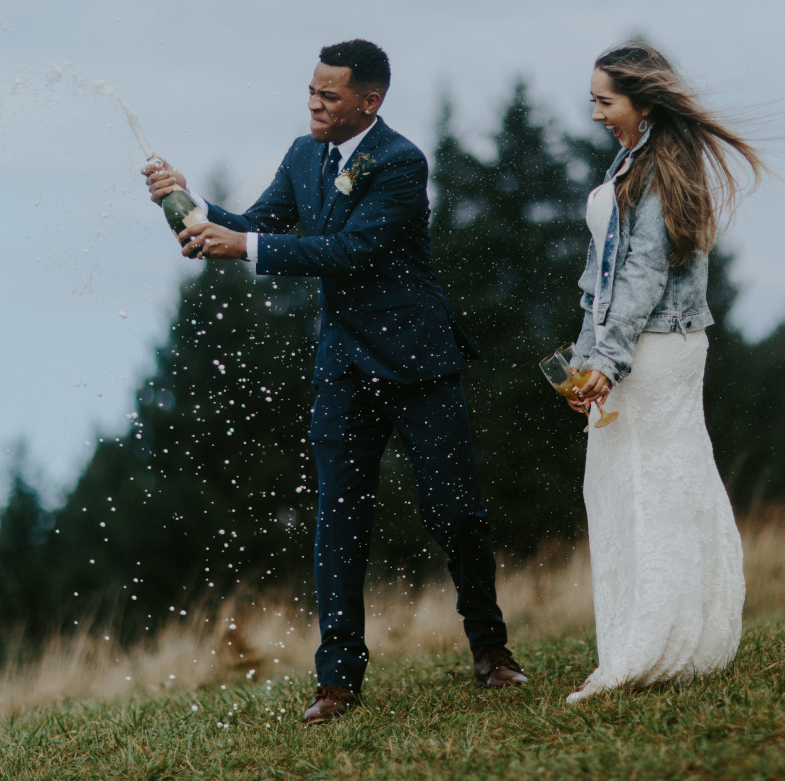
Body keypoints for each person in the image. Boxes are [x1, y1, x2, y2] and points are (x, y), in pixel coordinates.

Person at [143, 39, 527, 726]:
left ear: (368, 102)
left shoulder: (403, 162)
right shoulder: (302, 156)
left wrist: (247, 248)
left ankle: (491, 649)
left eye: (328, 95)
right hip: (343, 369)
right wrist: (188, 204)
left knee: (456, 511)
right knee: (338, 521)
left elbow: (351, 252)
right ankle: (338, 682)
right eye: (311, 91)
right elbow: (256, 225)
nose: (313, 104)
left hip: (418, 362)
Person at [563, 40, 765, 704]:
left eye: (604, 100)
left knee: (651, 482)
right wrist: (587, 354)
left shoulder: (662, 171)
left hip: (655, 345)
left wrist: (609, 358)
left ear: (642, 103)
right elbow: (604, 276)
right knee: (623, 482)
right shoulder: (632, 160)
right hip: (631, 341)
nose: (595, 113)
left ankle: (649, 648)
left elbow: (644, 275)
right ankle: (656, 637)